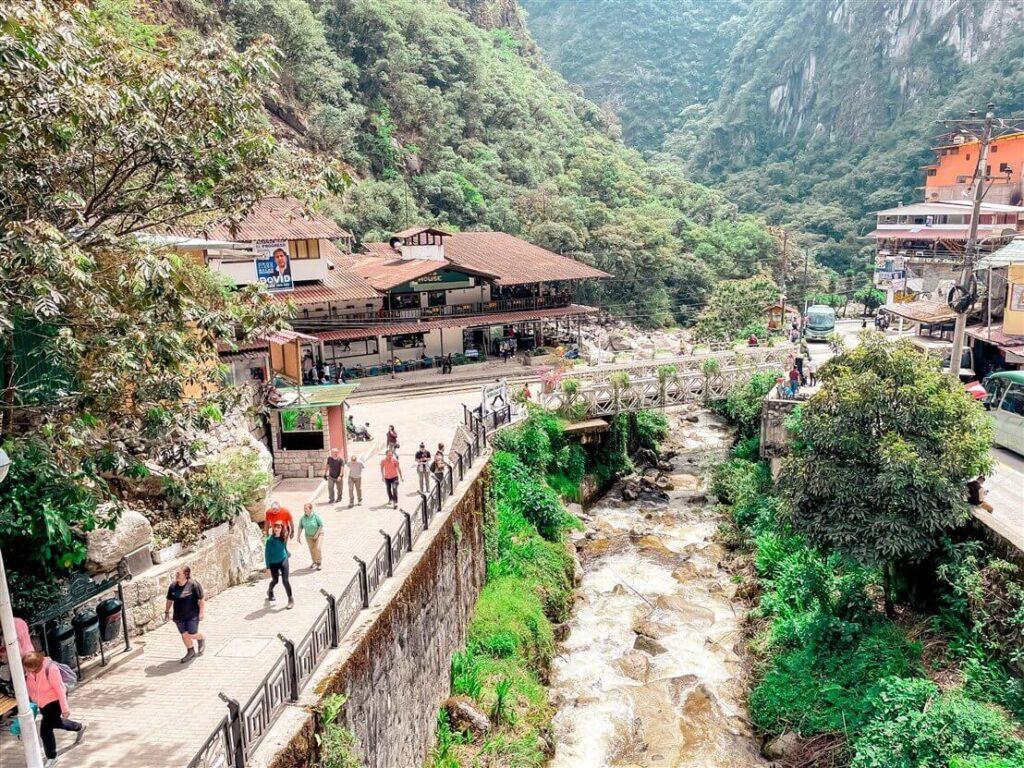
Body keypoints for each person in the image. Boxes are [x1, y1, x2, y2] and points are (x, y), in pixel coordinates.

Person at [24, 651, 84, 764]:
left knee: (45, 731)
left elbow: (60, 690)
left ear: (37, 665)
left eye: (29, 669)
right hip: (42, 704)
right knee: (57, 723)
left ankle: (52, 757)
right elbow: (31, 687)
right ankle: (79, 727)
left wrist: (65, 709)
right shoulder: (30, 671)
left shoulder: (51, 669)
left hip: (54, 703)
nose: (27, 671)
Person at [164, 566, 206, 663]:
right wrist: (167, 611)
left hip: (192, 615)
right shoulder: (173, 586)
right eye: (176, 574)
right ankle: (190, 651)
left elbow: (201, 599)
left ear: (186, 575)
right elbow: (169, 599)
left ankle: (202, 638)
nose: (176, 576)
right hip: (178, 616)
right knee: (184, 634)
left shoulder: (193, 585)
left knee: (192, 634)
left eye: (178, 574)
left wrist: (201, 613)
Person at [265, 522, 293, 608]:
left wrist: (287, 552)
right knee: (275, 580)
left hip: (283, 560)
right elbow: (267, 554)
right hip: (273, 563)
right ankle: (270, 591)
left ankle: (290, 599)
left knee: (285, 580)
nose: (276, 529)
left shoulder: (284, 536)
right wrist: (268, 568)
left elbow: (284, 546)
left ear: (281, 529)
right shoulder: (270, 540)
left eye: (278, 528)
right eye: (275, 527)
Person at [299, 503, 325, 570]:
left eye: (306, 508)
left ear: (311, 509)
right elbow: (300, 527)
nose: (304, 510)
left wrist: (316, 534)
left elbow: (321, 525)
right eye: (304, 508)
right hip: (308, 536)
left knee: (317, 548)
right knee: (312, 549)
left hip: (319, 534)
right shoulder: (302, 518)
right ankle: (314, 562)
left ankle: (319, 563)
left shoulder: (315, 516)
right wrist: (298, 537)